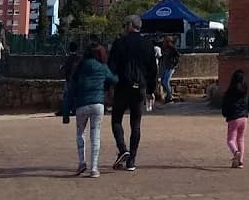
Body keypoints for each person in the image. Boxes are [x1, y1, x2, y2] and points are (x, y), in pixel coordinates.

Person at [108, 14, 157, 172]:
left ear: (129, 25)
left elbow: (111, 67)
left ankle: (123, 149)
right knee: (136, 123)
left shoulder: (119, 43)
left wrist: (109, 86)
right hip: (140, 87)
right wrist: (151, 90)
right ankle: (132, 160)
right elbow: (153, 70)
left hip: (122, 86)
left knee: (116, 119)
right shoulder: (147, 44)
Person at [69, 42, 118, 177]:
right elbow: (113, 80)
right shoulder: (102, 67)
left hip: (81, 103)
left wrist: (68, 108)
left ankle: (81, 162)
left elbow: (72, 84)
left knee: (80, 133)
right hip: (98, 103)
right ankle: (94, 168)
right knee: (95, 134)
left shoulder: (79, 66)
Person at [221, 69, 249, 168]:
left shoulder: (229, 93)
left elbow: (225, 106)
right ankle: (240, 162)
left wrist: (226, 114)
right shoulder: (245, 92)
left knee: (230, 140)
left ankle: (236, 152)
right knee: (241, 139)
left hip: (234, 118)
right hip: (244, 118)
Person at [160, 36, 180, 103]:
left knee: (166, 81)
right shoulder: (165, 48)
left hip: (171, 67)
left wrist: (174, 63)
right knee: (163, 81)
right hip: (166, 66)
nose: (164, 43)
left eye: (165, 41)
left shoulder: (172, 48)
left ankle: (170, 96)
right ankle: (168, 95)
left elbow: (178, 56)